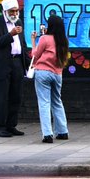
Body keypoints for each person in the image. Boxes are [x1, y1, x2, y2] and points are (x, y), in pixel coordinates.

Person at [0, 0, 27, 138]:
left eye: (16, 11)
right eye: (12, 11)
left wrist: (27, 63)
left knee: (16, 96)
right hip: (2, 64)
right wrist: (10, 34)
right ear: (5, 11)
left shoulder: (19, 22)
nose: (15, 14)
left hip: (16, 62)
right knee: (1, 97)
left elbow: (22, 44)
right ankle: (0, 127)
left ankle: (11, 126)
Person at [29, 13, 70, 143]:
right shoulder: (64, 40)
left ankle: (47, 134)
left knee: (44, 103)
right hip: (58, 74)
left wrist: (33, 40)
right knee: (57, 101)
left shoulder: (45, 39)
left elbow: (35, 54)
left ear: (50, 26)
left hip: (43, 73)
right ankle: (63, 131)